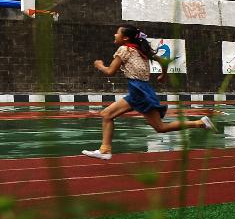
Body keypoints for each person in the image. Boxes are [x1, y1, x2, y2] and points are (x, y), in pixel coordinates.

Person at [82, 25, 216, 160]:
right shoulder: (141, 50)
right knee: (107, 114)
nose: (114, 35)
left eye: (117, 33)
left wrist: (99, 65)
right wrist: (163, 75)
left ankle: (199, 123)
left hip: (139, 92)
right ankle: (105, 150)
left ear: (126, 38)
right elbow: (164, 61)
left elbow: (110, 71)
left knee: (160, 127)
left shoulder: (124, 49)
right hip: (140, 90)